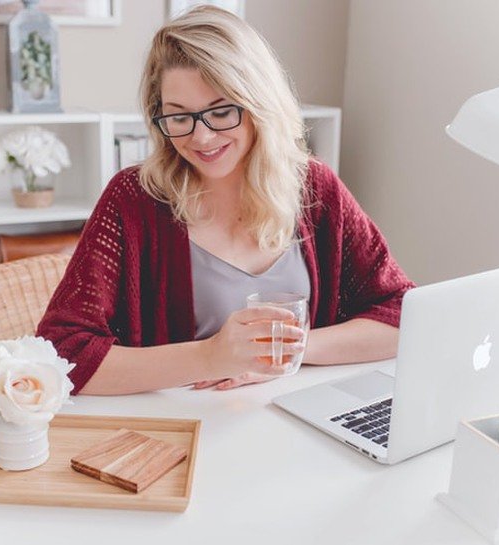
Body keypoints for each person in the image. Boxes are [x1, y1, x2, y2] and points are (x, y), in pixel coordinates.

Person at [36, 6, 414, 395]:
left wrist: (286, 351)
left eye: (221, 111)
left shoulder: (315, 189)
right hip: (181, 432)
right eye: (179, 116)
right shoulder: (133, 200)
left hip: (293, 423)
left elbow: (404, 315)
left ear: (259, 104)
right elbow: (61, 353)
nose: (201, 138)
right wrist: (210, 356)